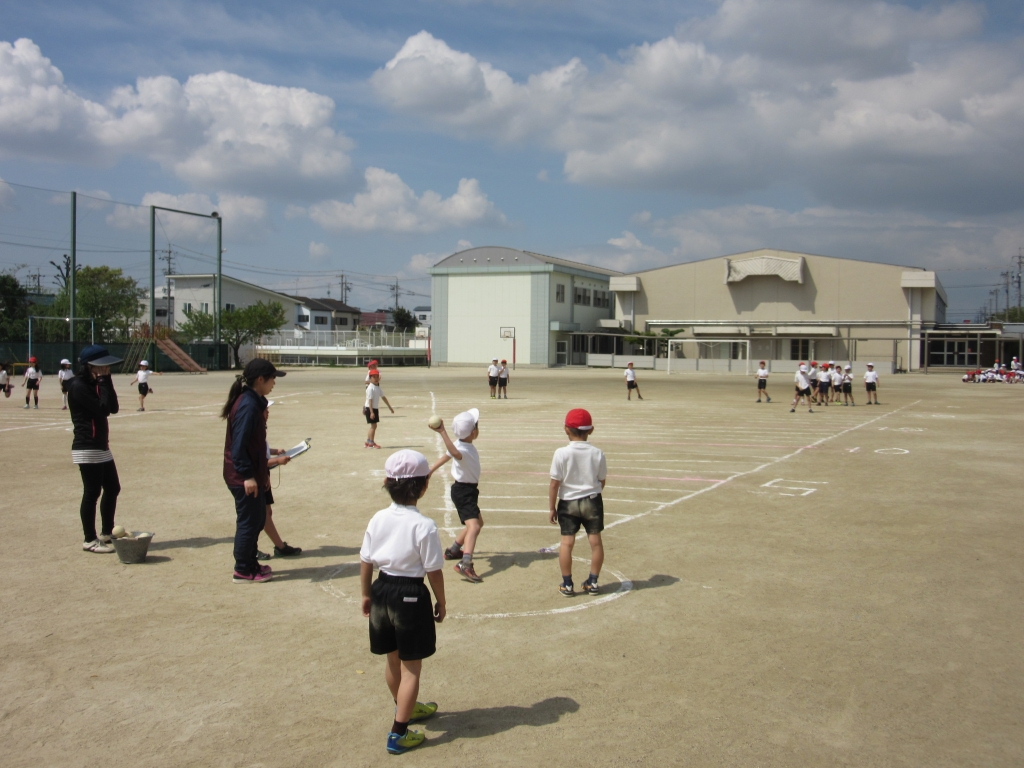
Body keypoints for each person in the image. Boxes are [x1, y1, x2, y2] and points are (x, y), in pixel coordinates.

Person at [359, 449, 446, 756]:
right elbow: (433, 570)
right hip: (410, 594)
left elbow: (366, 560)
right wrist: (441, 601)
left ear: (387, 482)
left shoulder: (378, 517)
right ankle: (398, 732)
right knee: (412, 669)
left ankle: (405, 707)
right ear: (423, 487)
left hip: (382, 588)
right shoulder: (424, 525)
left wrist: (366, 594)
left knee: (392, 660)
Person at [222, 358, 287, 583]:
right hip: (242, 477)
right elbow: (238, 447)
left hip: (252, 475)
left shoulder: (253, 401)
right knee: (249, 522)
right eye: (272, 379)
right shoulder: (248, 406)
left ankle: (251, 562)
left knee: (258, 519)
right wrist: (249, 476)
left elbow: (255, 446)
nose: (274, 383)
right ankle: (243, 568)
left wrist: (261, 475)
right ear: (260, 379)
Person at [68, 345, 123, 553]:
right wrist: (102, 381)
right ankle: (89, 539)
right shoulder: (79, 385)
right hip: (86, 445)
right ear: (91, 366)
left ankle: (107, 532)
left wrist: (106, 380)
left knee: (113, 488)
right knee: (92, 492)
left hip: (100, 445)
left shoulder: (96, 383)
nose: (107, 369)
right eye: (104, 367)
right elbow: (101, 410)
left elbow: (113, 408)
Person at [549, 408, 607, 597]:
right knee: (596, 542)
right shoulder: (597, 453)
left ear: (566, 429)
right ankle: (593, 581)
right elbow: (602, 480)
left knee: (566, 543)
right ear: (591, 430)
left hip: (568, 501)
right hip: (592, 500)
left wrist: (552, 507)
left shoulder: (561, 453)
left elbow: (555, 483)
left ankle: (567, 584)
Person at [429, 409, 484, 583]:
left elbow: (447, 456)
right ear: (473, 432)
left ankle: (454, 550)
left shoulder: (461, 445)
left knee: (477, 523)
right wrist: (442, 432)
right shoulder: (461, 449)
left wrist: (430, 471)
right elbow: (453, 452)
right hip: (464, 492)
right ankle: (465, 563)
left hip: (467, 491)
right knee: (474, 526)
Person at [256, 403, 301, 560]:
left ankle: (279, 546)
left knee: (267, 512)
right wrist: (277, 461)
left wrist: (274, 452)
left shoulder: (261, 427)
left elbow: (262, 451)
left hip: (263, 474)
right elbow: (256, 460)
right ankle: (251, 548)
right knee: (256, 515)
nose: (268, 412)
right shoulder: (253, 428)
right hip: (257, 474)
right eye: (266, 409)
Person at [364, 369, 394, 449]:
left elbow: (383, 397)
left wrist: (389, 407)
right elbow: (369, 400)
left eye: (377, 377)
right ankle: (371, 442)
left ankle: (368, 441)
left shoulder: (377, 387)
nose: (376, 378)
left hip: (374, 408)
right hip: (370, 408)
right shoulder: (370, 388)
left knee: (373, 426)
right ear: (370, 378)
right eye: (374, 377)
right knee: (374, 425)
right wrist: (371, 412)